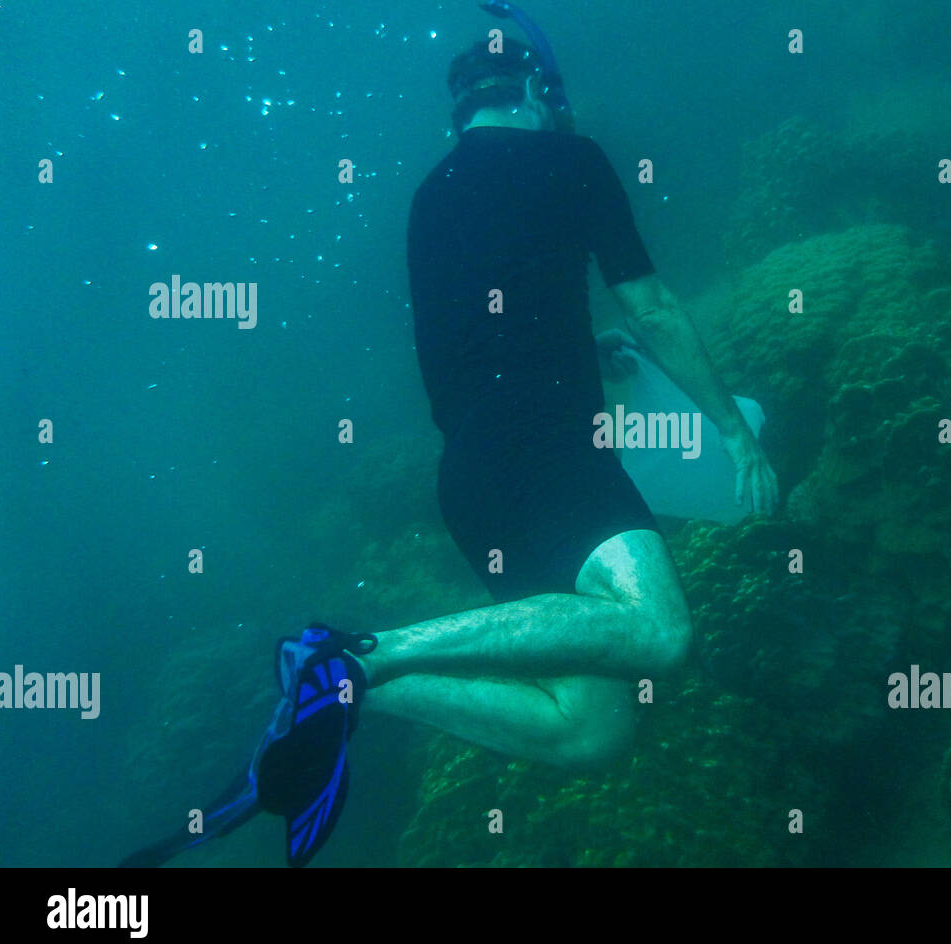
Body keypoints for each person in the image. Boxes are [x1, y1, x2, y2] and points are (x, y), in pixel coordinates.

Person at [122, 29, 777, 870]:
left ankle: (358, 686)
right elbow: (652, 308)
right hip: (546, 453)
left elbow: (487, 319)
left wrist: (588, 349)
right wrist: (732, 433)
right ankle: (369, 654)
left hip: (473, 479)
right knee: (662, 634)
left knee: (592, 731)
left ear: (460, 111)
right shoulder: (572, 158)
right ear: (537, 93)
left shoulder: (430, 195)